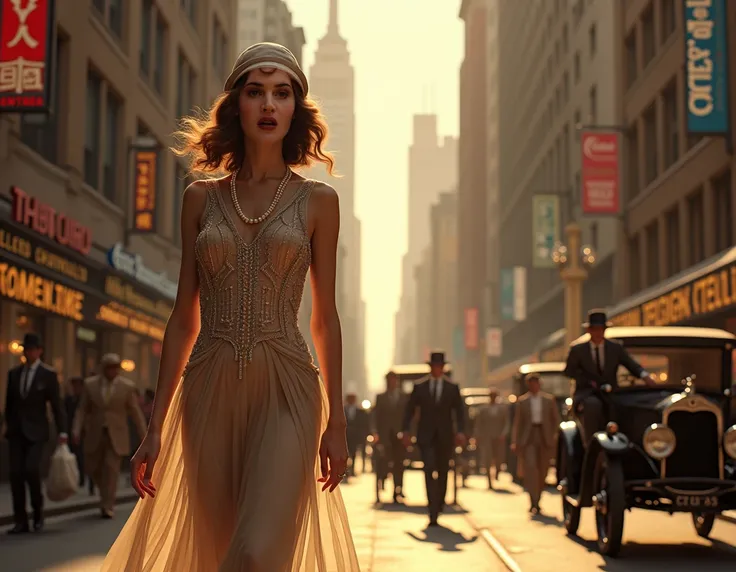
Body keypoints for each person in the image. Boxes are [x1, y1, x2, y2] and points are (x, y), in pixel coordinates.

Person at [100, 43, 359, 570]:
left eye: (281, 94)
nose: (268, 104)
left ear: (295, 109)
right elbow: (182, 319)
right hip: (207, 386)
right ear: (236, 105)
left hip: (288, 387)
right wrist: (155, 428)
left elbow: (325, 318)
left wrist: (337, 424)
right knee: (214, 550)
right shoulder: (200, 198)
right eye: (255, 92)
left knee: (258, 552)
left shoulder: (319, 202)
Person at [3, 333, 67, 533]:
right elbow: (9, 404)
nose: (29, 352)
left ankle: (38, 513)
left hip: (37, 432)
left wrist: (62, 431)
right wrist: (6, 425)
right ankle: (20, 520)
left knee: (31, 470)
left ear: (40, 351)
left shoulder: (48, 374)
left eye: (32, 349)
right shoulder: (14, 374)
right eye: (26, 349)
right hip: (16, 432)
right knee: (15, 475)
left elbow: (56, 405)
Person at [72, 354, 147, 519]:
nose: (113, 371)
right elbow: (82, 409)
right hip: (95, 433)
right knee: (94, 468)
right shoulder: (90, 385)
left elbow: (135, 412)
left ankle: (108, 505)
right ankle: (104, 494)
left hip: (117, 436)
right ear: (103, 369)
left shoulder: (127, 387)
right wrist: (76, 430)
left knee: (111, 469)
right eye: (109, 368)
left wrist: (144, 435)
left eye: (115, 368)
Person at [564, 309, 655, 442]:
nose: (598, 333)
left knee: (625, 406)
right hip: (587, 393)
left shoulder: (615, 348)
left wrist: (645, 376)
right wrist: (587, 380)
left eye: (601, 329)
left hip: (611, 392)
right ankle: (591, 443)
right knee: (593, 406)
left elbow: (631, 364)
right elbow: (568, 371)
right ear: (589, 330)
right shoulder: (577, 350)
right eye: (595, 329)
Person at [402, 351, 466, 526]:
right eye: (434, 366)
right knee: (429, 470)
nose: (437, 369)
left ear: (443, 368)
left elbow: (460, 413)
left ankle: (439, 503)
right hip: (426, 437)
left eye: (440, 366)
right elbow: (409, 410)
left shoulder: (452, 388)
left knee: (444, 471)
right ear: (430, 367)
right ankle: (432, 509)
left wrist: (460, 432)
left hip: (445, 437)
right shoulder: (420, 387)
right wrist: (406, 431)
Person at [510, 374, 560, 514]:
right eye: (531, 384)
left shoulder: (549, 400)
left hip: (544, 437)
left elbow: (555, 420)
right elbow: (518, 423)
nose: (534, 386)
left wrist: (554, 436)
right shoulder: (523, 401)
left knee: (543, 469)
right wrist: (515, 441)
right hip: (529, 437)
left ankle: (538, 498)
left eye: (535, 383)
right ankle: (533, 500)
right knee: (531, 469)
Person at [372, 370, 408, 502]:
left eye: (393, 380)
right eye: (389, 380)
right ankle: (383, 478)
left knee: (399, 464)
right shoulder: (380, 397)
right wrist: (375, 433)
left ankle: (398, 489)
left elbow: (408, 417)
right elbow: (375, 416)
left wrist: (408, 433)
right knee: (384, 462)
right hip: (385, 436)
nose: (391, 383)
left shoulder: (404, 397)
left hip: (400, 437)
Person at [474, 388, 509, 489]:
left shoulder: (502, 409)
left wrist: (503, 434)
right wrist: (477, 436)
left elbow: (507, 423)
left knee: (499, 457)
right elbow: (478, 424)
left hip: (498, 437)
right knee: (487, 459)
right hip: (487, 437)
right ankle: (489, 480)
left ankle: (497, 470)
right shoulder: (483, 409)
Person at [344, 392, 369, 480]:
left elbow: (364, 423)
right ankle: (346, 470)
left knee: (354, 453)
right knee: (345, 454)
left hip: (355, 436)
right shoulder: (342, 410)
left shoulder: (360, 411)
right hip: (345, 436)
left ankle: (353, 469)